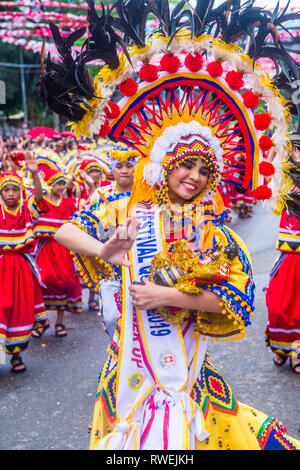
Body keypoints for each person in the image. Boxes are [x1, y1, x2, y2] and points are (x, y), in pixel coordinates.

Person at [40, 0, 300, 450]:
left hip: (187, 379)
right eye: (186, 166)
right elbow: (60, 230)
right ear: (166, 167)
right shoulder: (129, 213)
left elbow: (233, 304)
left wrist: (168, 296)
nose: (194, 177)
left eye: (204, 170)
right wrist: (104, 251)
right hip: (128, 376)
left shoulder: (214, 231)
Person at [0, 153, 48, 372]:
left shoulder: (26, 210)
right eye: (6, 190)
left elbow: (38, 198)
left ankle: (16, 356)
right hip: (1, 267)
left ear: (20, 192)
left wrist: (35, 173)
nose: (11, 194)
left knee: (19, 310)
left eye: (15, 189)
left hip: (20, 268)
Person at [32, 166, 83, 338]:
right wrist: (34, 176)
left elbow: (88, 202)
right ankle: (42, 321)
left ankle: (60, 322)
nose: (62, 187)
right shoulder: (42, 203)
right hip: (45, 249)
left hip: (64, 249)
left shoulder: (69, 203)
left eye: (64, 184)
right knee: (43, 282)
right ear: (51, 185)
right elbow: (38, 193)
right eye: (58, 184)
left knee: (65, 283)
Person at [265, 135, 300, 373]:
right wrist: (277, 143)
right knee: (278, 306)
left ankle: (297, 351)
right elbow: (267, 172)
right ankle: (280, 348)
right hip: (287, 255)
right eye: (296, 150)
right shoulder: (283, 178)